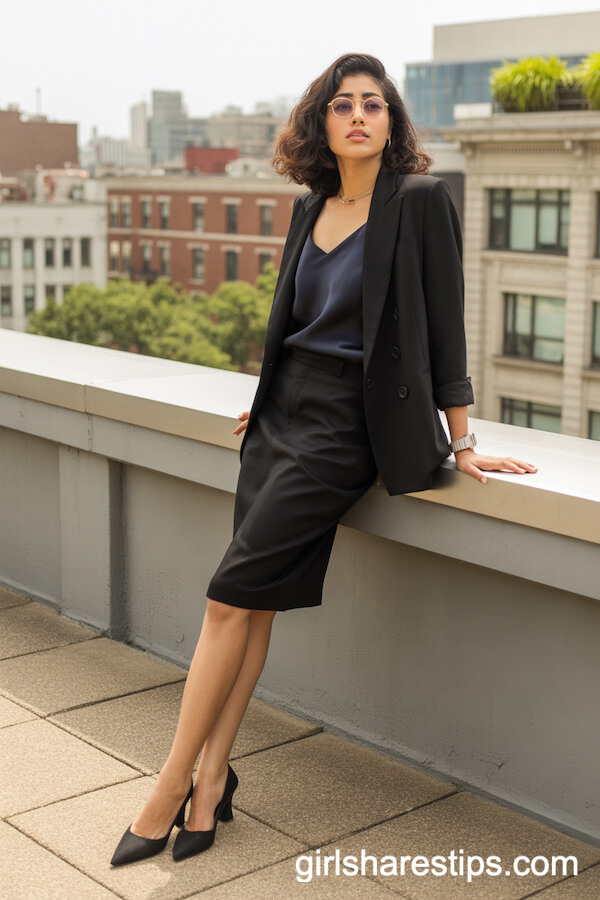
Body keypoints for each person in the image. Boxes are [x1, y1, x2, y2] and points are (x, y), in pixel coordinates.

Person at [110, 53, 537, 867]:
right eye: (343, 104)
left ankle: (167, 786)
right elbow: (290, 319)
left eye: (374, 104)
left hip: (344, 432)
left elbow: (446, 325)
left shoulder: (418, 201)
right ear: (323, 123)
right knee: (256, 606)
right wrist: (267, 393)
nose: (359, 116)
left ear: (392, 122)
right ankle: (210, 784)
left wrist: (465, 438)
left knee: (225, 602)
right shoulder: (310, 208)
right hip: (278, 420)